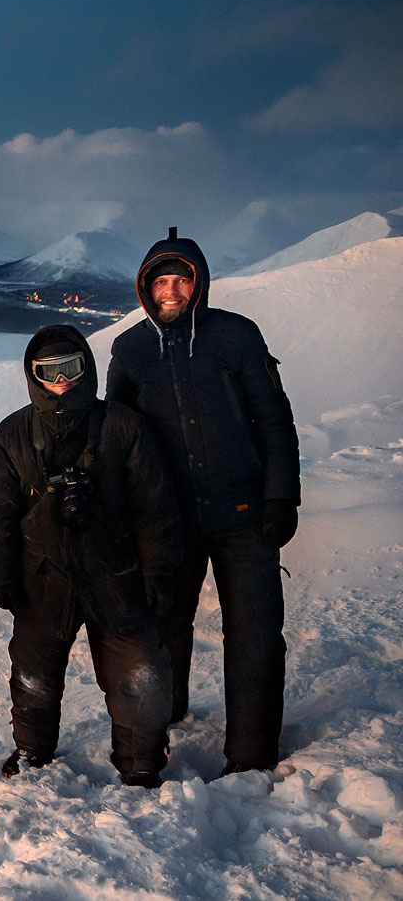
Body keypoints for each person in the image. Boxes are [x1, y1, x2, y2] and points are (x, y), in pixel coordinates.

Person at [107, 227, 300, 776]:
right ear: (146, 289)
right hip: (169, 519)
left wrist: (281, 495)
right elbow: (117, 433)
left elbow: (275, 420)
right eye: (160, 282)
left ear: (199, 284)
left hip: (245, 516)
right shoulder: (131, 348)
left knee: (255, 634)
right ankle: (166, 711)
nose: (170, 291)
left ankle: (252, 754)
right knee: (165, 624)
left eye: (180, 280)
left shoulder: (236, 337)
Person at [0, 324, 180, 788]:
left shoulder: (122, 426)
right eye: (48, 372)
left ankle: (141, 760)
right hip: (43, 576)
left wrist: (157, 573)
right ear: (33, 376)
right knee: (34, 671)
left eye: (71, 368)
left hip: (116, 572)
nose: (62, 381)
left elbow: (156, 509)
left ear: (87, 368)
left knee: (138, 669)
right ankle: (32, 750)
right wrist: (2, 576)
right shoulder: (13, 434)